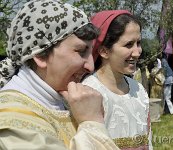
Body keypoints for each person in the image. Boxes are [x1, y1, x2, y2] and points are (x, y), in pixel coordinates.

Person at [0, 0, 121, 149]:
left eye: (91, 52)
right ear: (41, 56)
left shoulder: (65, 101)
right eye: (81, 51)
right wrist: (92, 121)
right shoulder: (13, 120)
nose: (90, 66)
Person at [82, 10, 153, 149]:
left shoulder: (138, 90)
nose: (137, 52)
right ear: (104, 51)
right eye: (128, 44)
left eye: (138, 43)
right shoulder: (89, 92)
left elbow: (148, 139)